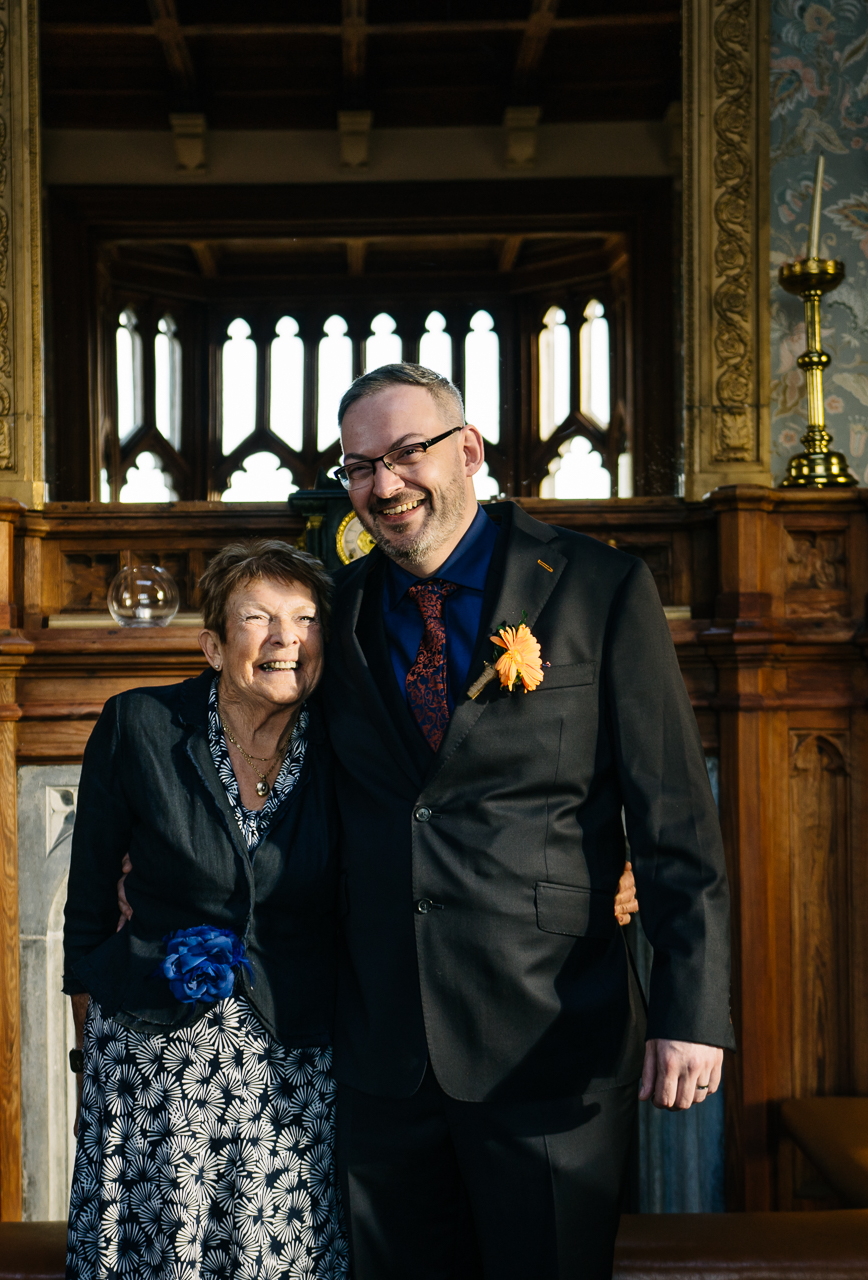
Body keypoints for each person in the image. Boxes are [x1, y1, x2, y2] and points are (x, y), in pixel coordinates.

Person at [322, 363, 731, 1280]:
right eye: (357, 466)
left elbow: (675, 820)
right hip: (383, 1053)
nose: (383, 486)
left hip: (552, 1043)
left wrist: (692, 1010)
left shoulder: (598, 586)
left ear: (469, 450)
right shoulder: (339, 612)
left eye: (406, 453)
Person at [61, 541, 348, 1280]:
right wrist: (87, 1042)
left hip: (297, 1062)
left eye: (305, 618)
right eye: (259, 618)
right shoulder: (139, 727)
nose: (286, 639)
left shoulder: (349, 745)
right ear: (214, 645)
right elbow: (88, 901)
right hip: (153, 1065)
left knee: (284, 1257)